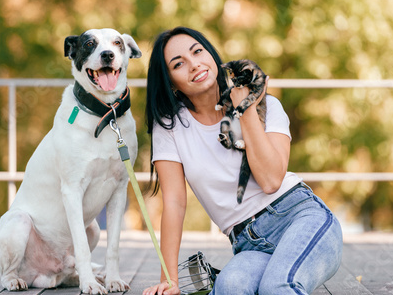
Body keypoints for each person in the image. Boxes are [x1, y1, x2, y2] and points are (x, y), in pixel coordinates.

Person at [143, 26, 343, 295]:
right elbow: (175, 202)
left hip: (300, 217)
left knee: (278, 286)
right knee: (230, 287)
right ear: (169, 81)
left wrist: (246, 109)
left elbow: (271, 181)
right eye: (179, 64)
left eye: (198, 52)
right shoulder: (169, 127)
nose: (194, 65)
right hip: (249, 244)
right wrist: (170, 279)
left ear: (212, 56)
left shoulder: (268, 106)